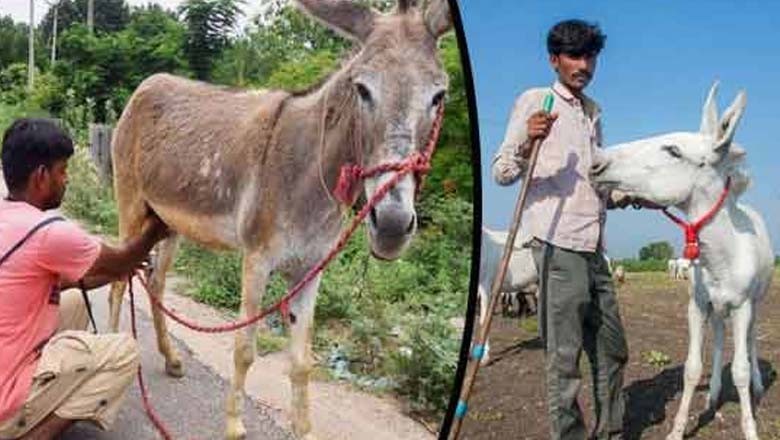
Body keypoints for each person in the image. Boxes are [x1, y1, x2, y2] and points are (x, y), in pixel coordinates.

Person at [492, 19, 656, 440]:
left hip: (594, 246)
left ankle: (610, 432)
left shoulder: (592, 114)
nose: (583, 65)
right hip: (557, 245)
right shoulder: (537, 101)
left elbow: (593, 187)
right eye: (574, 56)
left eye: (590, 56)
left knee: (613, 350)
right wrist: (527, 142)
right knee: (564, 360)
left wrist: (635, 195)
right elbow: (502, 171)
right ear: (555, 60)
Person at [0, 118, 169, 439]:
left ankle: (49, 391)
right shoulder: (48, 233)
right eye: (62, 171)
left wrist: (119, 269)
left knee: (75, 300)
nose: (66, 179)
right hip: (5, 402)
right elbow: (121, 258)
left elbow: (70, 280)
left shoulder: (8, 217)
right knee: (123, 352)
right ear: (41, 176)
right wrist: (154, 231)